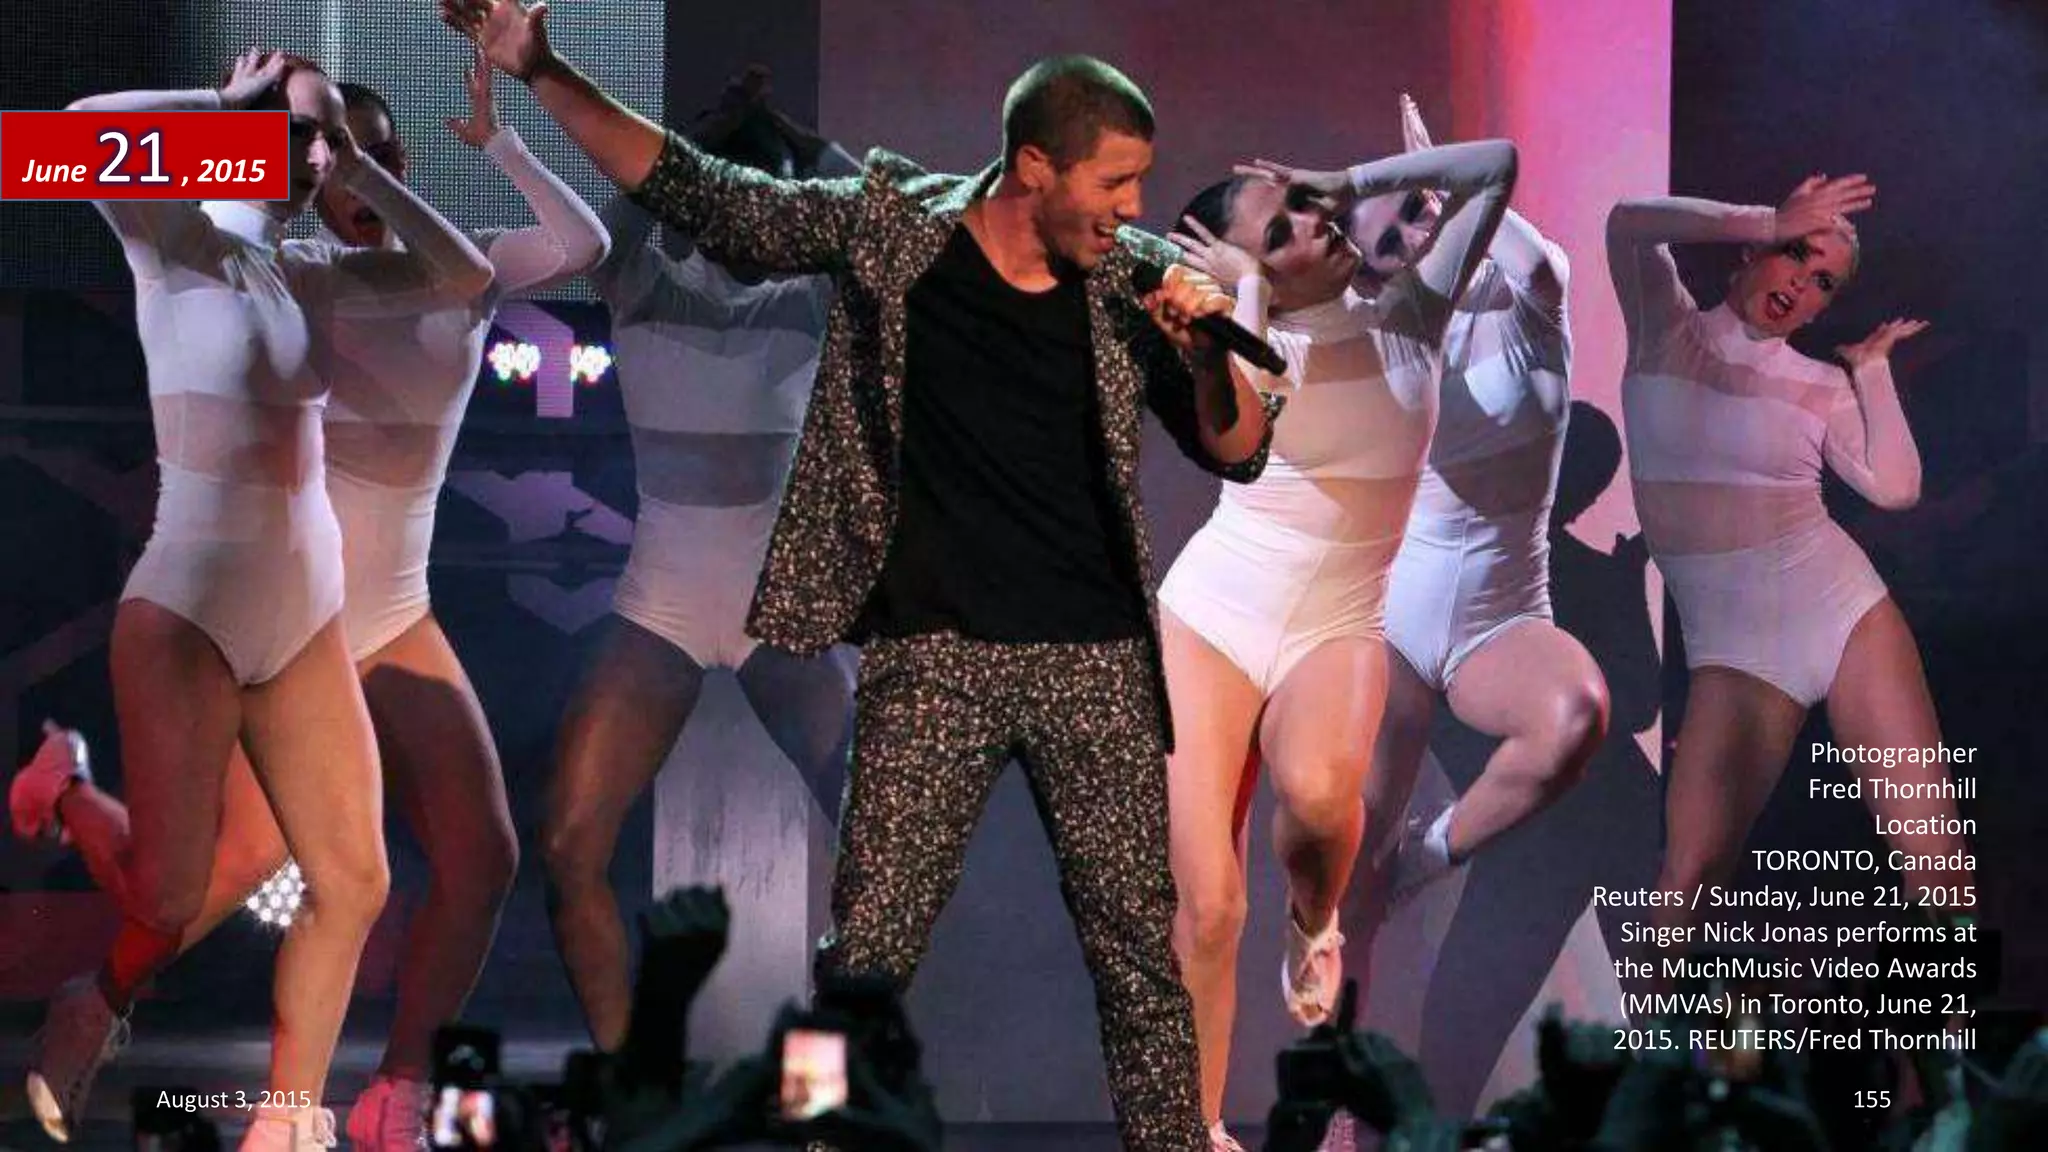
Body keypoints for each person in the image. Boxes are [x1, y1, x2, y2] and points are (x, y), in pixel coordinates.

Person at [438, 3, 1277, 1144]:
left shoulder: (1131, 282)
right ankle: (817, 1135)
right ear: (1033, 166)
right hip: (933, 661)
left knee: (1135, 956)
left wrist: (1202, 357)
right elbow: (701, 192)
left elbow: (1236, 451)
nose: (1134, 209)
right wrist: (539, 67)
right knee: (862, 959)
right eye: (1115, 183)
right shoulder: (898, 235)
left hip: (1092, 661)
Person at [9, 50, 494, 1151]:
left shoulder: (310, 265)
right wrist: (216, 110)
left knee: (355, 881)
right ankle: (72, 795)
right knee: (169, 899)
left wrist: (369, 165)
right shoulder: (175, 242)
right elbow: (67, 126)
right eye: (306, 133)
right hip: (188, 610)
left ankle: (286, 1126)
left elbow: (466, 279)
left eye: (329, 141)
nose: (319, 156)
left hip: (307, 612)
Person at [1161, 121, 1515, 1145]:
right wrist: (1246, 293)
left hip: (1338, 619)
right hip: (1211, 619)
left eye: (1312, 209)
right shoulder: (1230, 338)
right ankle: (1196, 1129)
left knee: (1319, 804)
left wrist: (1345, 177)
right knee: (1210, 903)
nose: (1318, 225)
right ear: (1247, 266)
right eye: (1286, 227)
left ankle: (1312, 919)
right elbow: (1248, 419)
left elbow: (1491, 166)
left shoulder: (1411, 306)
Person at [552, 68, 858, 1052]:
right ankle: (626, 1075)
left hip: (783, 612)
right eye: (720, 199)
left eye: (763, 208)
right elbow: (620, 204)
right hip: (661, 606)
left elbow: (875, 208)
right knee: (568, 845)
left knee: (881, 854)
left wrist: (792, 137)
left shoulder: (812, 292)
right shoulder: (639, 279)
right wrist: (700, 130)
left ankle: (828, 1088)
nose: (743, 224)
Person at [1606, 174, 1974, 959]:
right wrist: (1767, 212)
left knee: (1939, 869)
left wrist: (1870, 371)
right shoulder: (1667, 327)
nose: (1799, 285)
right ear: (1754, 248)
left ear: (1822, 308)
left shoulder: (1819, 384)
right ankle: (1649, 1079)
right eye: (1794, 253)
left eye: (1822, 283)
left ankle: (1944, 1081)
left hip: (1840, 609)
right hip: (1736, 652)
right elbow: (1629, 220)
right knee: (1690, 877)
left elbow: (1897, 489)